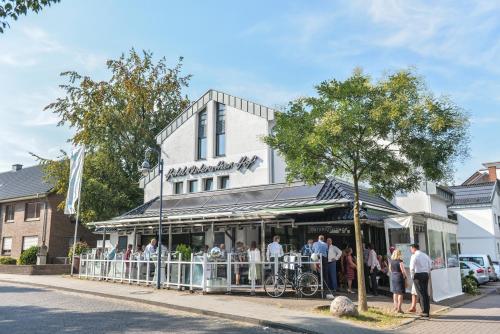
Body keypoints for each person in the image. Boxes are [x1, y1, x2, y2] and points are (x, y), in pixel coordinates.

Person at [410, 243, 432, 318]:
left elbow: (411, 267)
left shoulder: (414, 256)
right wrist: (427, 273)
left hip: (418, 275)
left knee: (420, 293)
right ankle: (427, 310)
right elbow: (430, 265)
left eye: (411, 249)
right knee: (425, 292)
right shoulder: (425, 255)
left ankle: (424, 312)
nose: (411, 250)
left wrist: (412, 276)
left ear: (414, 248)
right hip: (425, 274)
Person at [389, 249, 407, 313]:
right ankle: (399, 308)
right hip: (399, 277)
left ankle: (395, 307)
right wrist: (405, 276)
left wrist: (394, 273)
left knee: (395, 292)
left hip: (393, 276)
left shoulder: (391, 261)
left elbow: (390, 270)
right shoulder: (400, 261)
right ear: (399, 254)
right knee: (400, 293)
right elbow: (403, 271)